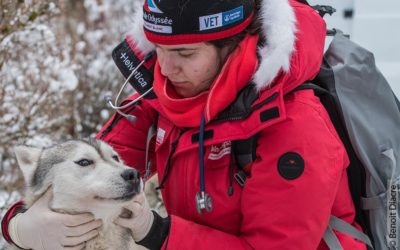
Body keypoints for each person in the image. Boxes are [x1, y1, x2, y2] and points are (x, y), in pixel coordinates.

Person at [2, 0, 368, 249]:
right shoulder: (170, 91)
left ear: (235, 45)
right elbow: (89, 175)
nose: (166, 68)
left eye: (185, 53)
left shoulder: (295, 128)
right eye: (158, 49)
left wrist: (158, 233)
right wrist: (20, 224)